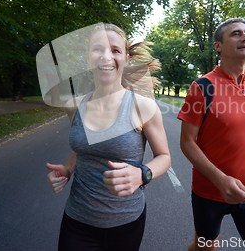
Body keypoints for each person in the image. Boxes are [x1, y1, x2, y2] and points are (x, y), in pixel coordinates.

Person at [46, 23, 171, 251]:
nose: (106, 56)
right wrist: (67, 169)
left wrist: (142, 174)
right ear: (88, 58)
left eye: (115, 50)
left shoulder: (143, 107)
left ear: (125, 58)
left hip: (126, 222)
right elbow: (82, 145)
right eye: (98, 49)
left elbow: (164, 157)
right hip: (77, 219)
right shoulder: (74, 106)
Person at [178, 18, 245, 251]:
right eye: (236, 34)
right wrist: (220, 180)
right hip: (209, 191)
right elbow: (187, 142)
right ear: (218, 46)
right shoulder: (202, 87)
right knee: (206, 246)